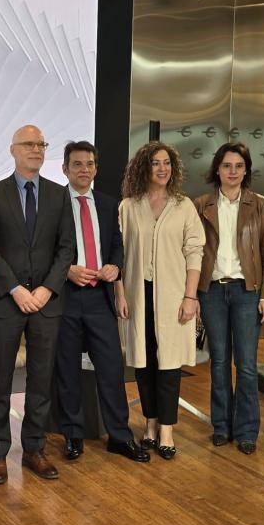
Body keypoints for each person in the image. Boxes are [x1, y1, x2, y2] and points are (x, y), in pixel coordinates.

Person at [0, 125, 76, 484]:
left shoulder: (57, 195)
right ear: (13, 150)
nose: (36, 149)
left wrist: (48, 289)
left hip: (47, 303)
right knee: (1, 379)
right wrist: (16, 289)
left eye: (41, 144)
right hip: (7, 302)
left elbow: (66, 247)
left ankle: (34, 448)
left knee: (41, 378)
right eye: (29, 144)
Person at [56, 141, 149, 464]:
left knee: (111, 369)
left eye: (90, 164)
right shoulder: (54, 203)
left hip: (100, 298)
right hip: (65, 298)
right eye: (77, 164)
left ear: (96, 168)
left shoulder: (110, 204)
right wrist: (65, 270)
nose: (84, 169)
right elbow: (42, 249)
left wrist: (115, 265)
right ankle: (73, 435)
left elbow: (116, 246)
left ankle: (120, 437)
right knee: (67, 371)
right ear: (65, 169)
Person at [115, 142, 204, 460]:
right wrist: (120, 293)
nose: (162, 168)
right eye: (155, 163)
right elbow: (120, 255)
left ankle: (166, 428)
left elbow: (195, 252)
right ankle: (150, 424)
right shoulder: (128, 206)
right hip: (138, 296)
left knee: (168, 364)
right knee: (143, 363)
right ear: (144, 167)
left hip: (174, 297)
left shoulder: (184, 206)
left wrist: (190, 296)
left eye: (167, 163)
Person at [193, 142, 264, 455]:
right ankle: (221, 426)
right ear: (217, 169)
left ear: (246, 171)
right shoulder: (201, 204)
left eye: (239, 166)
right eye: (227, 166)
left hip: (246, 292)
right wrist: (194, 295)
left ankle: (246, 430)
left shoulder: (258, 204)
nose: (232, 172)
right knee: (218, 363)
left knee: (244, 365)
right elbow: (193, 252)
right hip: (212, 291)